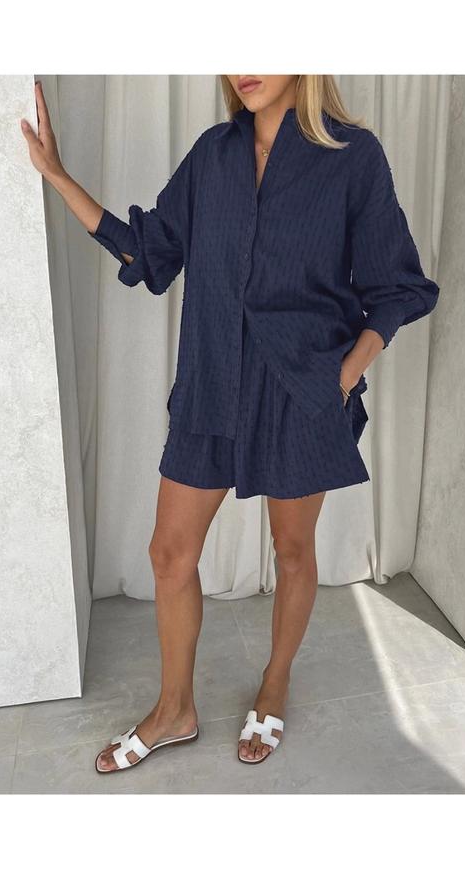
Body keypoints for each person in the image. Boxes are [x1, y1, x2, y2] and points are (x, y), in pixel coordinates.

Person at [22, 75, 439, 770]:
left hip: (301, 391)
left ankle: (274, 684)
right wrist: (59, 178)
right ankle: (175, 709)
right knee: (169, 554)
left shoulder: (353, 157)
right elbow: (149, 253)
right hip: (212, 384)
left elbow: (396, 286)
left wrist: (342, 375)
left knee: (293, 550)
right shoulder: (212, 156)